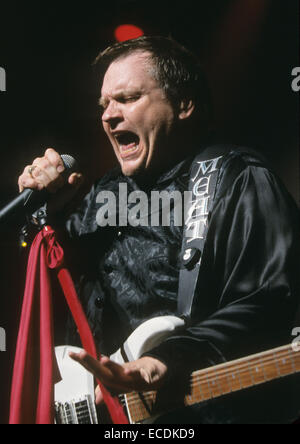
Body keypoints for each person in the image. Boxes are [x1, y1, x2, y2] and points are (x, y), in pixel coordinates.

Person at [18, 36, 300, 424]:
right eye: (104, 105)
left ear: (184, 104)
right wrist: (45, 217)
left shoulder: (237, 180)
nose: (108, 115)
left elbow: (272, 302)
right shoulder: (104, 193)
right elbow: (49, 286)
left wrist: (169, 356)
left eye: (128, 98)